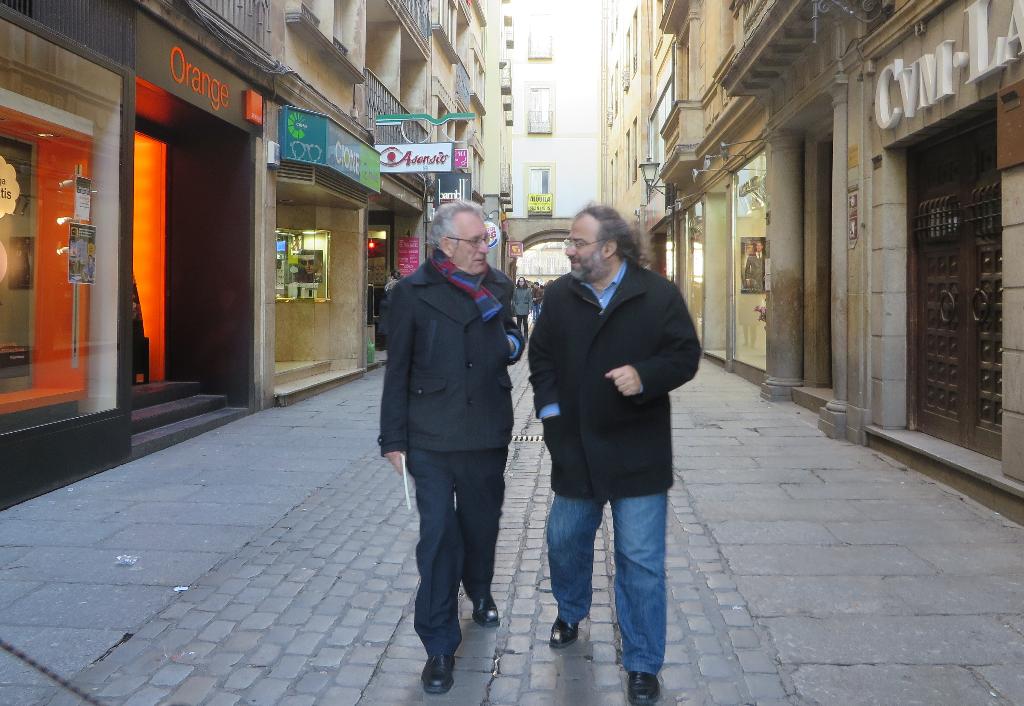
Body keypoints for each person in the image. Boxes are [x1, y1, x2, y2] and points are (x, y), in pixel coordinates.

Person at [528, 204, 701, 706]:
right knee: (564, 540)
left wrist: (646, 376)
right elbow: (541, 359)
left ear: (609, 248)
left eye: (578, 242)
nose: (569, 249)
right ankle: (570, 608)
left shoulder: (657, 293)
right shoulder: (561, 296)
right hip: (576, 447)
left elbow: (685, 355)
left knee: (641, 561)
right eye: (569, 243)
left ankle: (644, 663)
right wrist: (552, 413)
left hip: (638, 449)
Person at [379, 201, 525, 695]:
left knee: (481, 526)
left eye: (486, 239)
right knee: (438, 534)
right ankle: (439, 644)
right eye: (477, 241)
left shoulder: (499, 288)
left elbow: (511, 337)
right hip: (432, 432)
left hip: (486, 428)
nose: (486, 246)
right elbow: (396, 367)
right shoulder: (411, 295)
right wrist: (392, 439)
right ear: (447, 246)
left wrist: (510, 343)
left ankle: (479, 589)